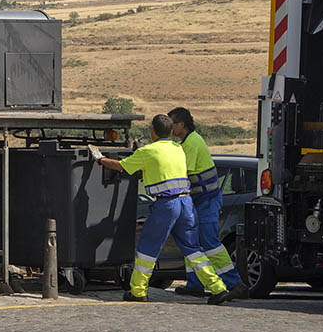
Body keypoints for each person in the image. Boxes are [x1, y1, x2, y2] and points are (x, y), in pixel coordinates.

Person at [96, 114, 230, 304]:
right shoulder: (178, 148)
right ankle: (218, 288)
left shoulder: (148, 151)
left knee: (148, 248)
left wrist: (101, 159)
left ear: (152, 131)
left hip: (166, 205)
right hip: (186, 203)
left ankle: (138, 290)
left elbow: (121, 167)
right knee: (193, 248)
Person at [167, 106, 248, 299]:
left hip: (206, 201)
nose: (170, 128)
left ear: (181, 125)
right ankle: (194, 284)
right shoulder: (190, 141)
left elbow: (182, 172)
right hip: (200, 201)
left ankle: (235, 284)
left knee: (210, 243)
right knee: (193, 242)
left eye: (172, 124)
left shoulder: (191, 144)